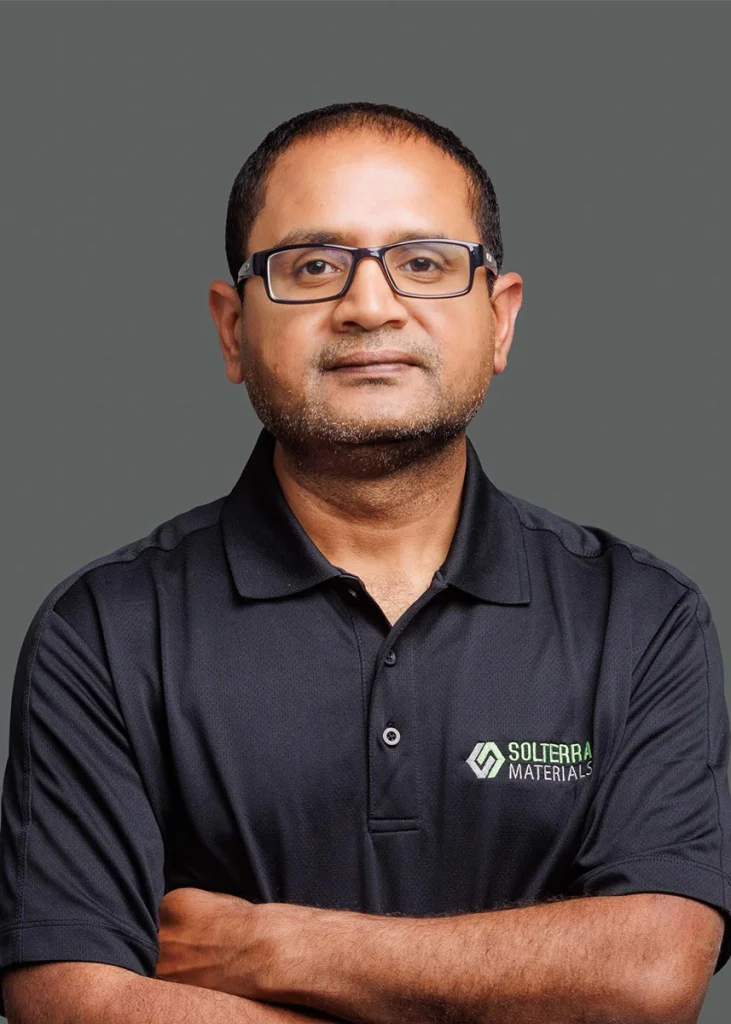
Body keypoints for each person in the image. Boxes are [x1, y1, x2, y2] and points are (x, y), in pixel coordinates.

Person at [1, 100, 729, 1024]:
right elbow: (69, 1000)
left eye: (423, 263)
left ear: (500, 321)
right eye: (312, 265)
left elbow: (650, 973)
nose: (369, 305)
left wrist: (273, 946)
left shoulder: (641, 617)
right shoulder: (103, 630)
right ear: (231, 328)